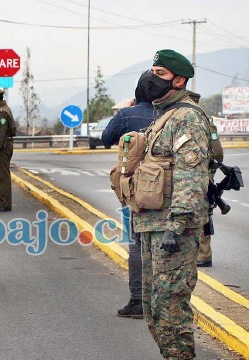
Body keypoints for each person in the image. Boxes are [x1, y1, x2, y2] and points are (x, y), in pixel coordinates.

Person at [133, 49, 212, 359]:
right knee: (154, 309)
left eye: (161, 73)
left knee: (170, 308)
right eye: (152, 71)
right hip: (154, 225)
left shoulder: (187, 117)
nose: (152, 78)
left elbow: (192, 175)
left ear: (179, 80)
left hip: (173, 230)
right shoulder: (165, 116)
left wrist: (177, 225)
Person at [102, 72, 156, 319]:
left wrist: (122, 111)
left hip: (134, 190)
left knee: (136, 244)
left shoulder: (127, 115)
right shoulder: (171, 114)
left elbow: (105, 139)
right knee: (161, 244)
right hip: (165, 189)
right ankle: (160, 302)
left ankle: (137, 301)